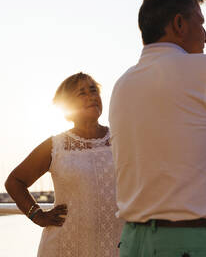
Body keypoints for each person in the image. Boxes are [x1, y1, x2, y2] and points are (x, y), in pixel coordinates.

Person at [109, 0, 206, 257]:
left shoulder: (123, 84)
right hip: (190, 243)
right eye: (201, 23)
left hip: (132, 242)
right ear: (179, 23)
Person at [5, 72, 122, 257]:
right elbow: (14, 181)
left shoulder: (121, 138)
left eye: (93, 90)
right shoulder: (56, 146)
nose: (91, 96)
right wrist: (38, 215)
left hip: (114, 245)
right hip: (65, 246)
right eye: (82, 93)